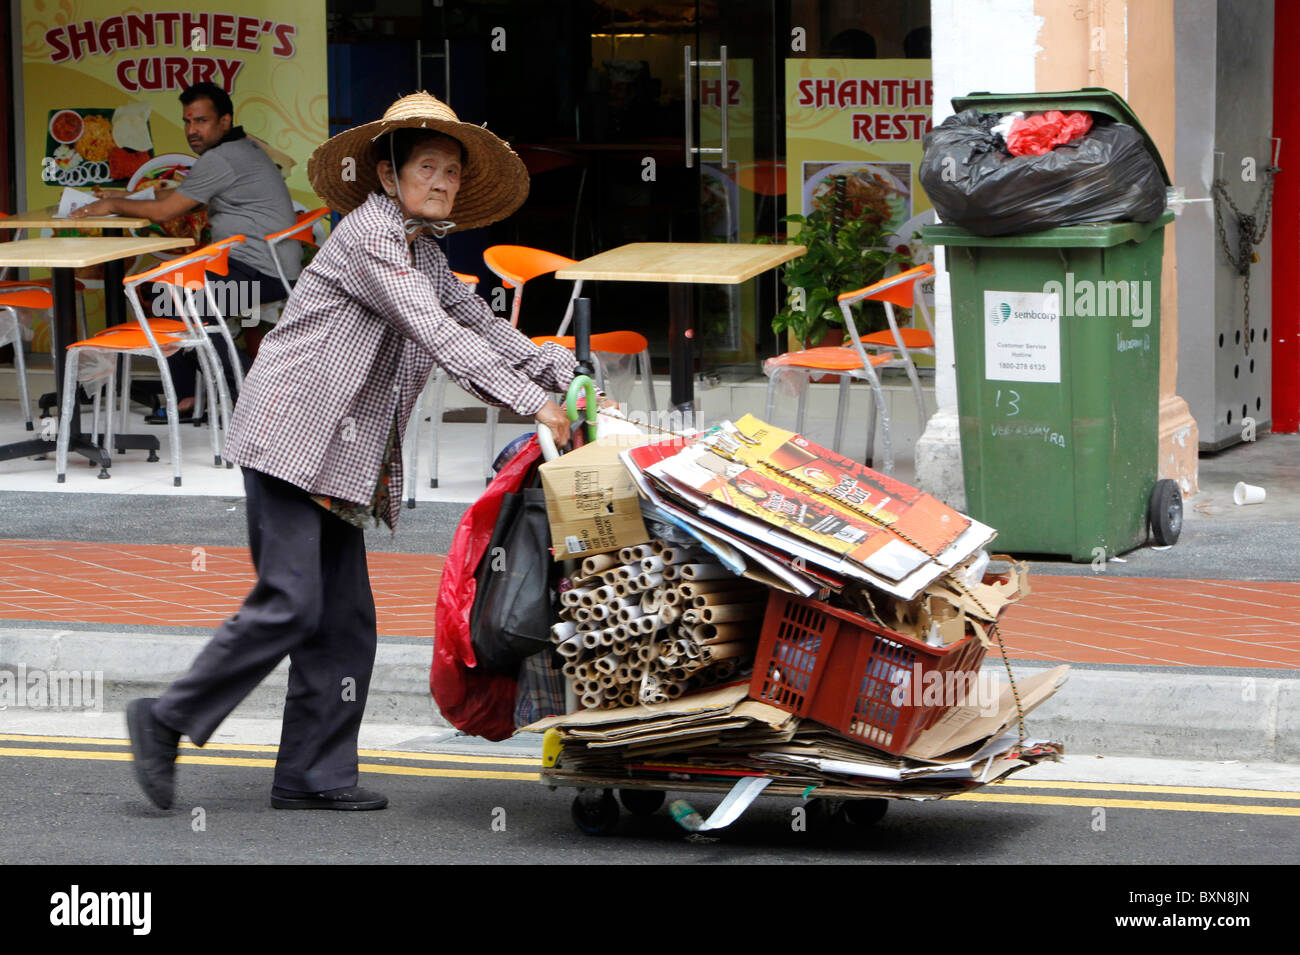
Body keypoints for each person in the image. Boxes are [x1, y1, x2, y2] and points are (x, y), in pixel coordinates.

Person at [125, 91, 596, 812]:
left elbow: (477, 320)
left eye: (452, 172)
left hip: (341, 456)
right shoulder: (372, 238)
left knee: (345, 622)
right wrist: (534, 401)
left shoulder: (422, 252)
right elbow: (438, 336)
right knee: (290, 601)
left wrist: (564, 373)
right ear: (386, 175)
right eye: (427, 167)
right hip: (291, 435)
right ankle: (164, 719)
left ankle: (310, 773)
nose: (442, 183)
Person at [72, 82, 299, 417]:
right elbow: (179, 196)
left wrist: (111, 206)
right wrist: (123, 199)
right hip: (265, 268)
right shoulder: (239, 149)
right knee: (167, 296)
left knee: (173, 301)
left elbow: (168, 211)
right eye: (187, 121)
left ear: (224, 120)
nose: (192, 130)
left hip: (262, 276)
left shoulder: (222, 158)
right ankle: (188, 397)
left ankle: (250, 400)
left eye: (201, 121)